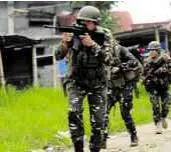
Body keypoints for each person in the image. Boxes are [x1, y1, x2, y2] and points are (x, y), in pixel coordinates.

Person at [55, 5, 114, 152]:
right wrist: (65, 43)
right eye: (82, 21)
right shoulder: (72, 33)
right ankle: (78, 148)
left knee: (99, 121)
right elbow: (58, 56)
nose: (84, 24)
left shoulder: (105, 35)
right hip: (76, 81)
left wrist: (92, 45)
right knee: (74, 113)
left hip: (98, 83)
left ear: (95, 23)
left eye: (88, 22)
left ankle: (95, 148)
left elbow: (110, 60)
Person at [101, 41, 143, 149]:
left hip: (125, 86)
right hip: (111, 87)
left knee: (125, 112)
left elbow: (134, 61)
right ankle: (102, 140)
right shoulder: (98, 50)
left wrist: (120, 67)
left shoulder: (120, 49)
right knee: (104, 112)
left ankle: (133, 136)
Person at [143, 41, 171, 134]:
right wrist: (147, 80)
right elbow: (144, 73)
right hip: (153, 86)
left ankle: (163, 117)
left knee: (167, 103)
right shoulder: (146, 60)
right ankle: (158, 124)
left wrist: (163, 70)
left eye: (153, 50)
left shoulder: (165, 58)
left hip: (164, 85)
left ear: (158, 50)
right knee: (155, 105)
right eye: (150, 50)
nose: (151, 52)